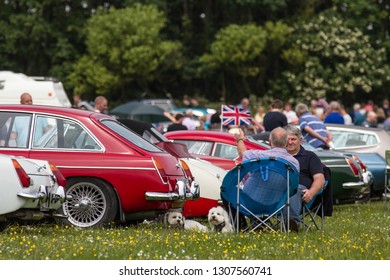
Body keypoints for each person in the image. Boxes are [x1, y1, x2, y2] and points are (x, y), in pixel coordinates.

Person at [224, 127, 299, 230]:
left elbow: (242, 153)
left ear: (269, 142)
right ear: (287, 142)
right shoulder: (294, 163)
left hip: (250, 204)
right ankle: (260, 223)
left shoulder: (259, 156)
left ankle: (241, 225)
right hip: (278, 205)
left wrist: (240, 139)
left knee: (226, 190)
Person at [285, 124, 326, 231]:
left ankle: (292, 224)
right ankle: (258, 221)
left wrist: (312, 192)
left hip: (301, 191)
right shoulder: (279, 156)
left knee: (293, 188)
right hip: (278, 190)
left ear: (300, 140)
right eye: (287, 139)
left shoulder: (310, 156)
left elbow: (320, 178)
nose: (289, 142)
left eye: (293, 139)